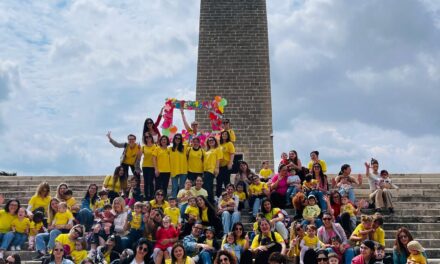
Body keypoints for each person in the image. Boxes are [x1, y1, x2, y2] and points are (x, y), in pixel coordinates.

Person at [203, 136, 222, 203]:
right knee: (207, 186)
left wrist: (217, 168)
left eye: (212, 140)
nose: (211, 141)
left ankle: (210, 200)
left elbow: (218, 159)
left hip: (211, 170)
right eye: (209, 140)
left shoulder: (217, 149)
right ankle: (209, 200)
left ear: (215, 141)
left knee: (208, 186)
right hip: (205, 170)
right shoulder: (206, 151)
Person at [169, 133, 188, 198]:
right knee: (174, 187)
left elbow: (191, 134)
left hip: (183, 170)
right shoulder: (170, 149)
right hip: (174, 170)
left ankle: (180, 202)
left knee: (182, 187)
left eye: (179, 138)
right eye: (176, 138)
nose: (177, 139)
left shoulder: (185, 147)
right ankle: (173, 201)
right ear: (174, 139)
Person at [140, 131, 157, 200]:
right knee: (146, 182)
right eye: (146, 137)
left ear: (151, 137)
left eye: (149, 136)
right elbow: (139, 157)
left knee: (151, 182)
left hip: (153, 166)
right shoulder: (143, 147)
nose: (148, 138)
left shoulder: (155, 146)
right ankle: (146, 197)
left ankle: (152, 196)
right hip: (145, 166)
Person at [217, 131, 235, 198]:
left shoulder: (229, 143)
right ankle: (218, 198)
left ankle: (229, 197)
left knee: (226, 183)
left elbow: (232, 153)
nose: (224, 135)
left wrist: (230, 163)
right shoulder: (219, 144)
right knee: (219, 183)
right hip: (219, 166)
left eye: (226, 134)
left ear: (228, 136)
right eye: (223, 134)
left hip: (226, 166)